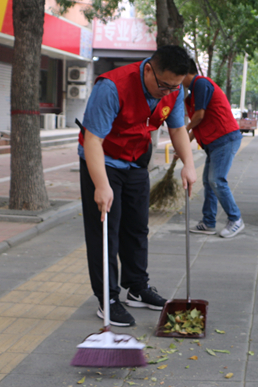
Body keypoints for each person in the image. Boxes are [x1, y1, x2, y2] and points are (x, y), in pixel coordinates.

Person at [79, 45, 197, 327]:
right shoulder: (112, 87)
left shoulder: (173, 91)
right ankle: (107, 298)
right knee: (106, 230)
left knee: (137, 227)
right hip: (103, 160)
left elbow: (177, 128)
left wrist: (189, 164)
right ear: (149, 70)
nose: (168, 92)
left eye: (175, 87)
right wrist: (101, 185)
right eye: (163, 85)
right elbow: (93, 140)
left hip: (135, 161)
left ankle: (137, 287)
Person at [181, 59, 245, 238]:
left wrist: (183, 131)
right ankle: (208, 222)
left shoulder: (201, 84)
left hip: (224, 139)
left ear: (185, 73)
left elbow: (199, 116)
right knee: (209, 182)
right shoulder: (193, 93)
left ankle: (236, 219)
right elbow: (198, 125)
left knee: (216, 180)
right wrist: (183, 144)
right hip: (214, 143)